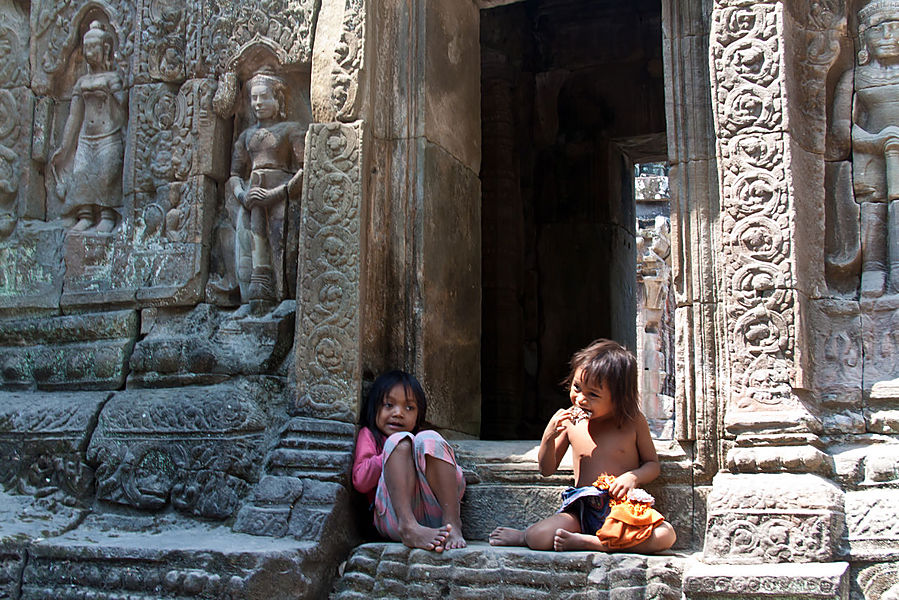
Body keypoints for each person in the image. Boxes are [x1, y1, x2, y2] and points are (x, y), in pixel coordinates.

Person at [489, 339, 676, 553]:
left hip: (622, 509)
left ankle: (593, 543)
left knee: (666, 534)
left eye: (593, 394)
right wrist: (548, 437)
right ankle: (524, 536)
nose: (580, 399)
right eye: (577, 387)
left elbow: (652, 465)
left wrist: (632, 477)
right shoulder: (571, 422)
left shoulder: (633, 421)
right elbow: (546, 469)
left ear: (619, 398)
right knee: (537, 537)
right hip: (581, 511)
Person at [352, 370, 467, 552]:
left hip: (434, 513)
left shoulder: (422, 442)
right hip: (394, 519)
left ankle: (452, 522)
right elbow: (361, 481)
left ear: (419, 415)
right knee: (399, 442)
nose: (398, 413)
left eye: (409, 408)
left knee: (430, 437)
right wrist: (392, 454)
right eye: (389, 405)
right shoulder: (370, 435)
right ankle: (409, 527)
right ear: (374, 408)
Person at [219, 67, 306, 303]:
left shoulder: (290, 130)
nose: (258, 103)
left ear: (278, 99)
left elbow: (305, 169)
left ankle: (282, 296)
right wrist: (242, 195)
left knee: (280, 244)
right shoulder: (246, 136)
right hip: (252, 197)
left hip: (281, 194)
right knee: (252, 247)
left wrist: (278, 193)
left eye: (264, 96)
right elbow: (235, 174)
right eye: (254, 97)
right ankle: (255, 298)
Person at [50, 20, 125, 233]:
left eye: (94, 48)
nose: (90, 53)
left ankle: (107, 214)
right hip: (86, 138)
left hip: (108, 135)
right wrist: (65, 147)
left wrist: (119, 90)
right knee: (81, 173)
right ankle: (85, 214)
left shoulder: (112, 78)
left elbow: (123, 106)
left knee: (106, 175)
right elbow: (74, 117)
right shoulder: (81, 82)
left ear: (106, 50)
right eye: (87, 48)